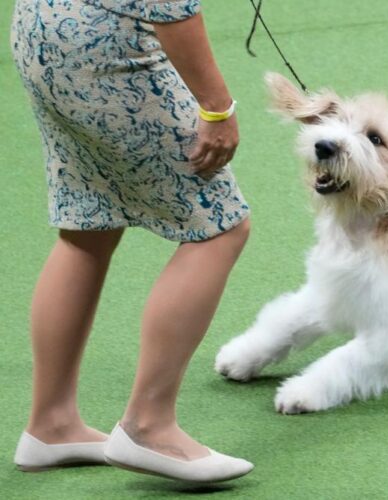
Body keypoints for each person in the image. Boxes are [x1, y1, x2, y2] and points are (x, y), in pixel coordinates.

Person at [11, 0, 254, 482]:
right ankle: (149, 426)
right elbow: (170, 6)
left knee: (88, 225)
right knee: (219, 228)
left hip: (42, 28)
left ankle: (51, 426)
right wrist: (217, 107)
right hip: (108, 49)